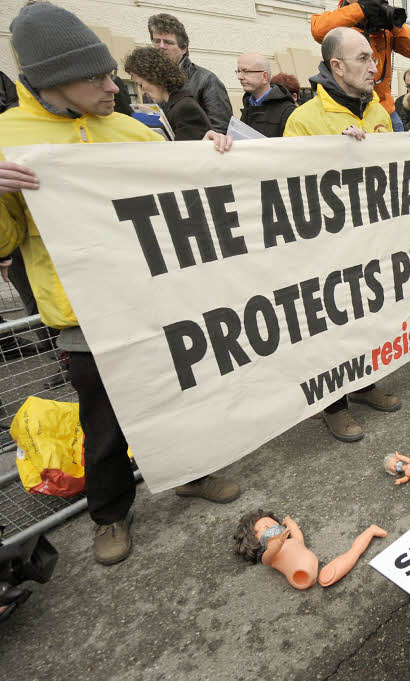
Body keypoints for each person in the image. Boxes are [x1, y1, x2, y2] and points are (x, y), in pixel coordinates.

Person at [0, 2, 240, 566]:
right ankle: (110, 515)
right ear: (55, 78)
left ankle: (192, 474)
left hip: (150, 301)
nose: (116, 86)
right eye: (99, 77)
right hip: (82, 313)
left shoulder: (132, 130)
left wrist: (211, 158)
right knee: (103, 420)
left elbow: (184, 194)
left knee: (179, 394)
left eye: (113, 74)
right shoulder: (9, 139)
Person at [284, 27, 403, 441]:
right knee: (330, 330)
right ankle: (333, 406)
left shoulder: (378, 112)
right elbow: (290, 192)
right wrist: (335, 156)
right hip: (327, 253)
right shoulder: (305, 120)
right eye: (364, 60)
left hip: (371, 243)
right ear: (336, 66)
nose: (375, 68)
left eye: (374, 58)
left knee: (368, 321)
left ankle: (364, 383)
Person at [311, 0, 410, 133]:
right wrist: (361, 10)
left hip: (384, 110)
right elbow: (318, 31)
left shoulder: (384, 31)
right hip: (346, 110)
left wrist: (393, 24)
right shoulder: (343, 22)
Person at [148, 13, 232, 134]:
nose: (161, 46)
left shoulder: (207, 80)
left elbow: (221, 130)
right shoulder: (151, 79)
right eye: (156, 41)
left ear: (184, 48)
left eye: (168, 42)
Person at [124, 47, 210, 141]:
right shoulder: (176, 104)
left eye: (141, 85)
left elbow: (185, 151)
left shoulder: (185, 108)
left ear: (154, 77)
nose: (142, 92)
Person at [236, 52, 296, 138]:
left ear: (265, 77)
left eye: (246, 71)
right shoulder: (249, 104)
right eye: (238, 71)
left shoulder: (287, 111)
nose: (239, 77)